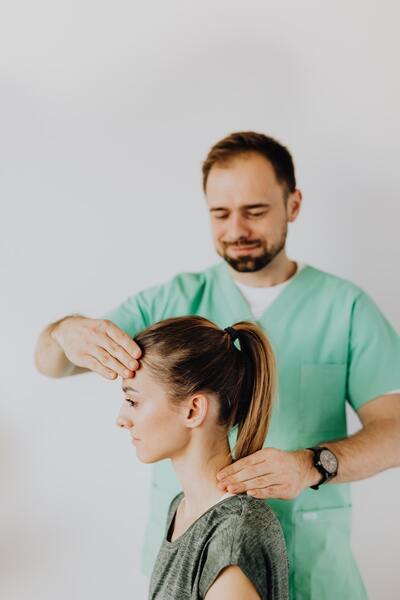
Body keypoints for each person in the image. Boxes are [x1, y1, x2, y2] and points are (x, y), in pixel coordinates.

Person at [35, 131, 400, 599]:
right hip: (192, 559)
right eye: (220, 213)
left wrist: (314, 464)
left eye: (255, 211)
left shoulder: (344, 308)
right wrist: (64, 331)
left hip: (312, 569)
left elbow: (395, 429)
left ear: (293, 205)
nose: (236, 229)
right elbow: (52, 364)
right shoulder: (170, 302)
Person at [116, 315, 289, 599]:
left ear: (193, 410)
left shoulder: (233, 536)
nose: (121, 419)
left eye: (132, 401)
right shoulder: (182, 508)